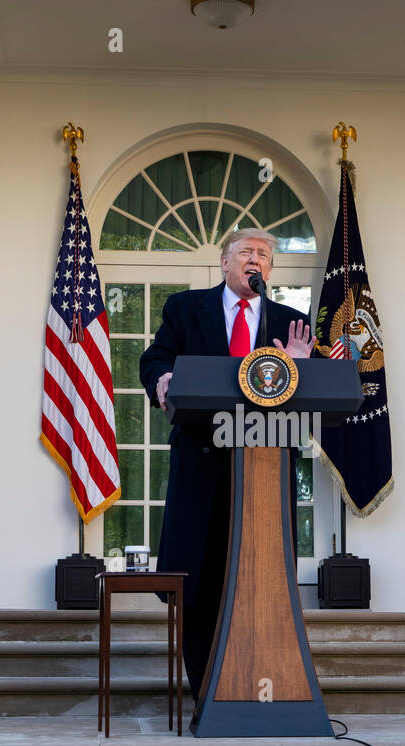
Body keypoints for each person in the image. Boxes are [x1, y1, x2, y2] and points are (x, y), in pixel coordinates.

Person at [139, 228, 316, 708]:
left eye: (264, 254)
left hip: (264, 468)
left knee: (261, 579)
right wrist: (164, 378)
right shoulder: (184, 309)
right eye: (246, 252)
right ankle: (206, 693)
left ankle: (261, 690)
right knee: (201, 579)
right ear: (224, 262)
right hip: (202, 466)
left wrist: (298, 368)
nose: (254, 260)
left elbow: (314, 394)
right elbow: (154, 357)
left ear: (271, 270)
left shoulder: (290, 324)